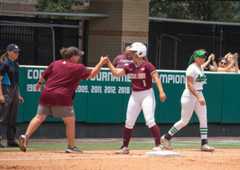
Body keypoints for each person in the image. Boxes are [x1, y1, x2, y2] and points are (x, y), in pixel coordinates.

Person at [18, 47, 107, 153]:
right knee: (70, 121)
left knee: (39, 117)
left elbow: (43, 76)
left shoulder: (55, 63)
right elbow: (92, 74)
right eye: (78, 55)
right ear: (73, 56)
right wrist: (101, 63)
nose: (79, 57)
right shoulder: (78, 67)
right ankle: (71, 146)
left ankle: (26, 136)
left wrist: (39, 84)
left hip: (47, 94)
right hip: (62, 96)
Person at [107, 42, 167, 154]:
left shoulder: (148, 65)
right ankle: (124, 147)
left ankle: (158, 145)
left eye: (134, 52)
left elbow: (156, 78)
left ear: (140, 53)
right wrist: (109, 63)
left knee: (150, 120)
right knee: (129, 122)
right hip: (135, 95)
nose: (131, 54)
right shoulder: (130, 66)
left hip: (147, 94)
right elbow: (116, 73)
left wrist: (161, 91)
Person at [161, 49, 215, 152]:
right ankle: (166, 137)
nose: (202, 58)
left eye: (203, 56)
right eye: (200, 56)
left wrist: (209, 60)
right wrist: (198, 97)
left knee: (204, 119)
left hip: (199, 93)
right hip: (189, 96)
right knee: (184, 121)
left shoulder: (200, 67)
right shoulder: (191, 68)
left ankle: (204, 143)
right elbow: (190, 85)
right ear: (195, 58)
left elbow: (203, 66)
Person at [0, 44, 24, 148]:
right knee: (2, 117)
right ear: (9, 52)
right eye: (15, 52)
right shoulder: (4, 64)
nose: (17, 54)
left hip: (13, 91)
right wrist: (0, 95)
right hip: (5, 89)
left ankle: (11, 140)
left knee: (12, 117)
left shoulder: (16, 64)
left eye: (18, 52)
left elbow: (16, 82)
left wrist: (18, 95)